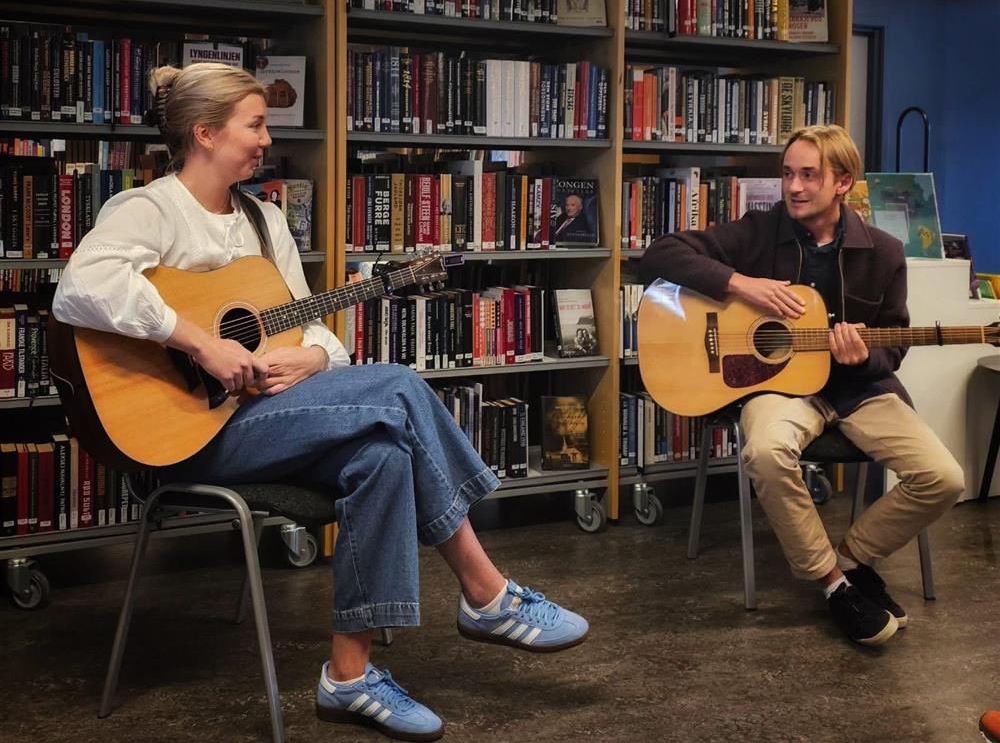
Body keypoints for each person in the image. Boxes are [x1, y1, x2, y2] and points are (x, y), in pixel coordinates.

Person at [51, 62, 588, 741]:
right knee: (396, 385)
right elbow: (79, 289)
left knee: (383, 453)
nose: (265, 139)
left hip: (267, 419)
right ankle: (486, 590)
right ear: (206, 133)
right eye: (255, 125)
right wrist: (199, 343)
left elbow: (308, 331)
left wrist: (309, 356)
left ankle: (348, 677)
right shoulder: (148, 209)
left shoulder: (263, 219)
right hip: (189, 433)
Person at [639, 124, 964, 648]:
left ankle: (849, 559)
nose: (793, 186)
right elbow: (660, 254)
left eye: (809, 175)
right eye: (789, 173)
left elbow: (894, 343)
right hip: (779, 388)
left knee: (944, 477)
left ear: (842, 183)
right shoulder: (759, 232)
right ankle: (834, 586)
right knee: (766, 451)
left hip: (858, 389)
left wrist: (865, 355)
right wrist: (740, 283)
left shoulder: (882, 251)